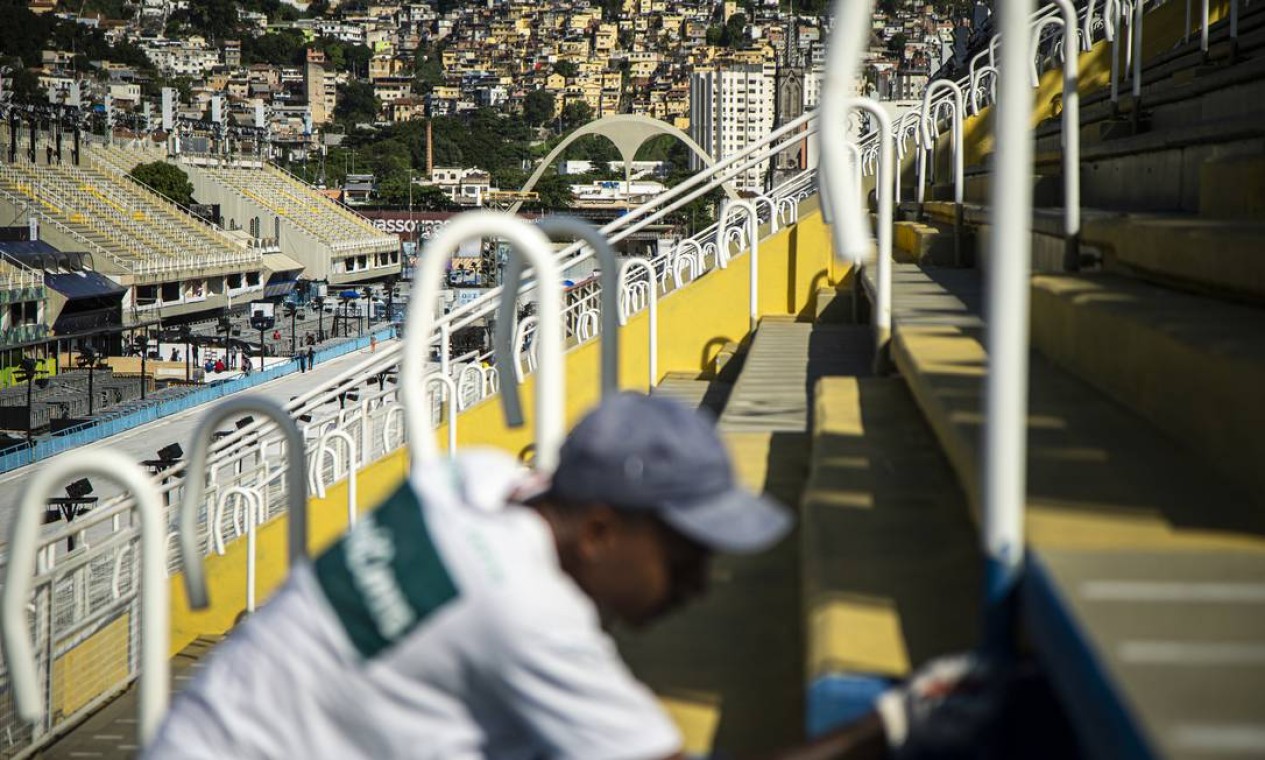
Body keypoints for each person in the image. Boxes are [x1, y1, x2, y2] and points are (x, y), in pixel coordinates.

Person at [145, 394, 979, 759]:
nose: (698, 585)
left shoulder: (460, 481)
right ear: (601, 530)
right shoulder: (527, 617)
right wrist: (892, 726)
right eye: (686, 557)